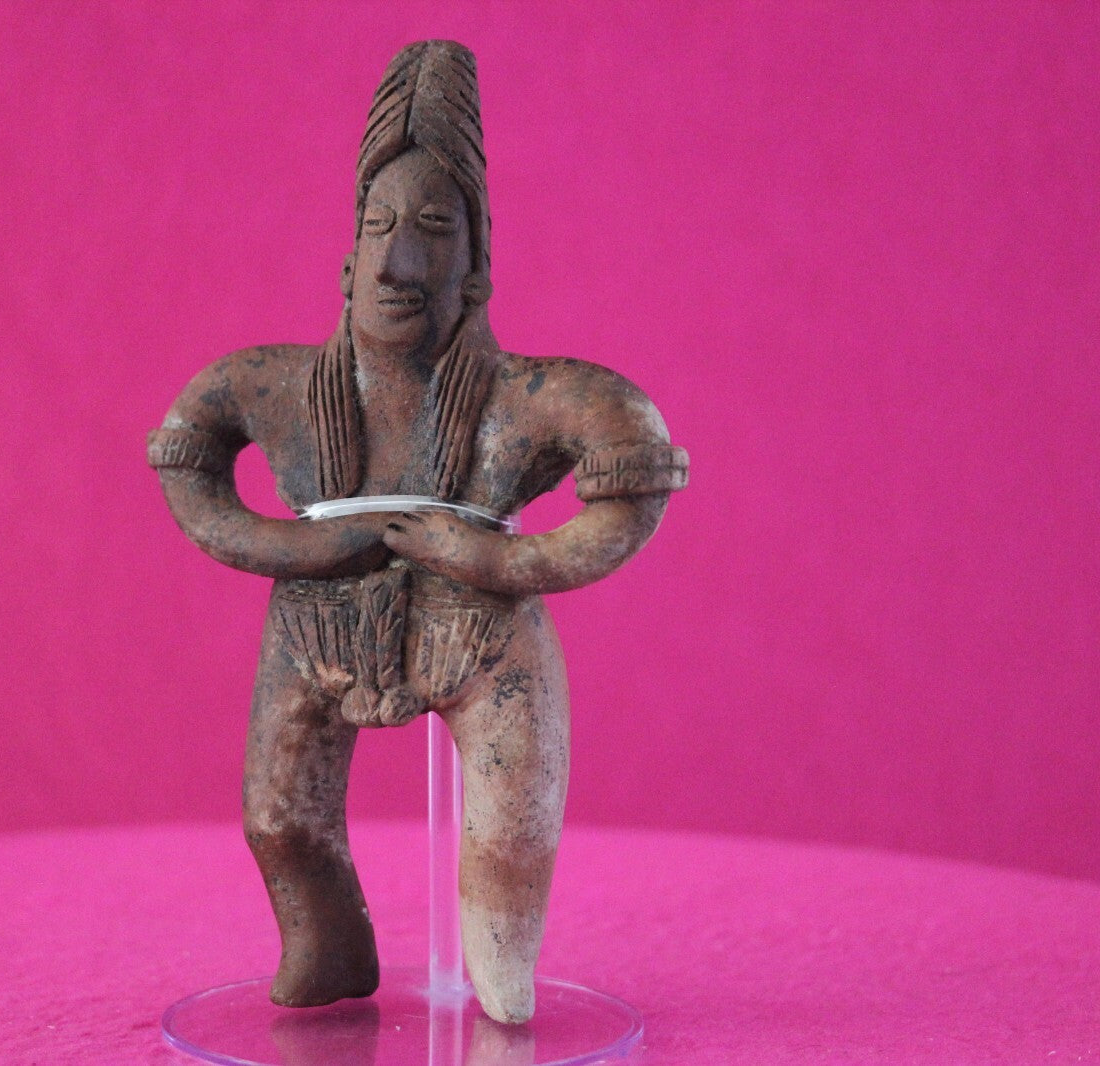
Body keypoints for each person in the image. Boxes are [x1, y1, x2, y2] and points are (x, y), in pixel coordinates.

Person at [148, 39, 687, 1025]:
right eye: (379, 227)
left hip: (484, 633)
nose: (399, 262)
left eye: (433, 230)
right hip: (316, 624)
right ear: (346, 259)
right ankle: (329, 948)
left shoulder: (526, 397)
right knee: (279, 821)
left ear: (474, 271)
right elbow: (188, 458)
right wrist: (296, 549)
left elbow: (633, 473)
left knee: (511, 829)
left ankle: (501, 973)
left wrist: (493, 558)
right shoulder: (276, 386)